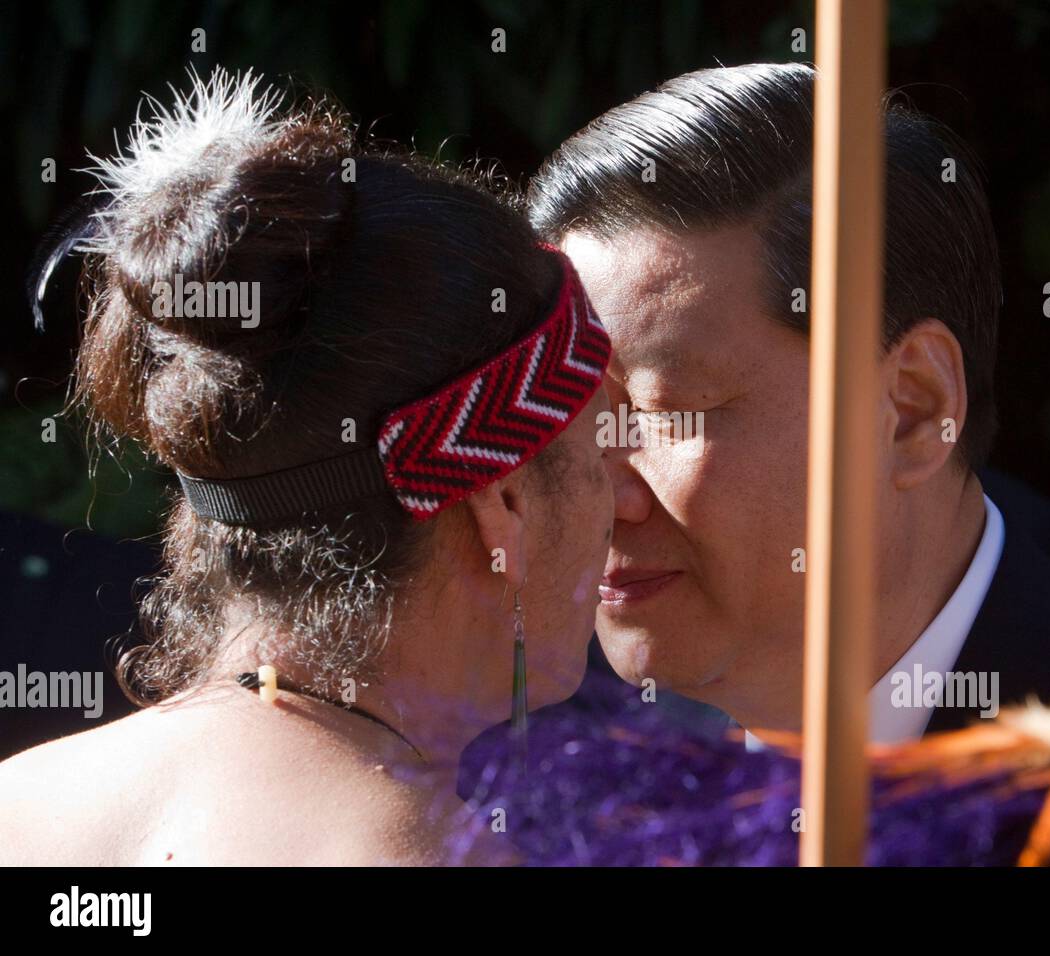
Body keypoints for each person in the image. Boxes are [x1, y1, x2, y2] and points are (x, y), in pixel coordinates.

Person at [0, 68, 616, 865]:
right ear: (505, 496)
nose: (627, 504)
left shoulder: (22, 803)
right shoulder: (442, 854)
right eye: (601, 447)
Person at [525, 62, 1050, 746]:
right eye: (572, 416)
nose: (592, 492)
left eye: (669, 410)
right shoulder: (561, 743)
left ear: (913, 410)